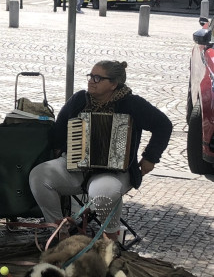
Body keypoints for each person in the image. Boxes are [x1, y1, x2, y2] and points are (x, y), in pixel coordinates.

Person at [29, 60, 172, 241]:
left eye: (97, 78)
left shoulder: (132, 104)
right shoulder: (80, 99)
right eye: (90, 76)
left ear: (113, 84)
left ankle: (110, 239)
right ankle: (60, 233)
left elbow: (163, 125)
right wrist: (63, 150)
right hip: (77, 167)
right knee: (39, 176)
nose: (91, 81)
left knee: (104, 192)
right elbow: (59, 128)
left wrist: (150, 157)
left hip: (114, 172)